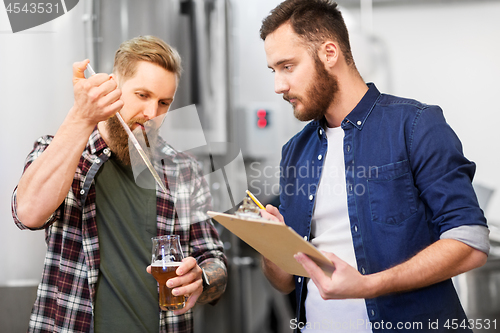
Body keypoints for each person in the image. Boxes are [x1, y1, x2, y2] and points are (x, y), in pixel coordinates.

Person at [258, 1, 489, 332]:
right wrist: (270, 244)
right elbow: (286, 283)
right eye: (273, 71)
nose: (278, 86)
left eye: (287, 67)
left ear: (329, 53)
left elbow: (470, 242)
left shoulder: (415, 125)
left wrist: (368, 285)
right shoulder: (294, 152)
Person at [11, 35, 227, 333]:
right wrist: (81, 117)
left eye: (164, 103)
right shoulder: (61, 152)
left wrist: (202, 279)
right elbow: (28, 214)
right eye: (142, 95)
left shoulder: (183, 170)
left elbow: (214, 260)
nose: (152, 114)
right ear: (113, 87)